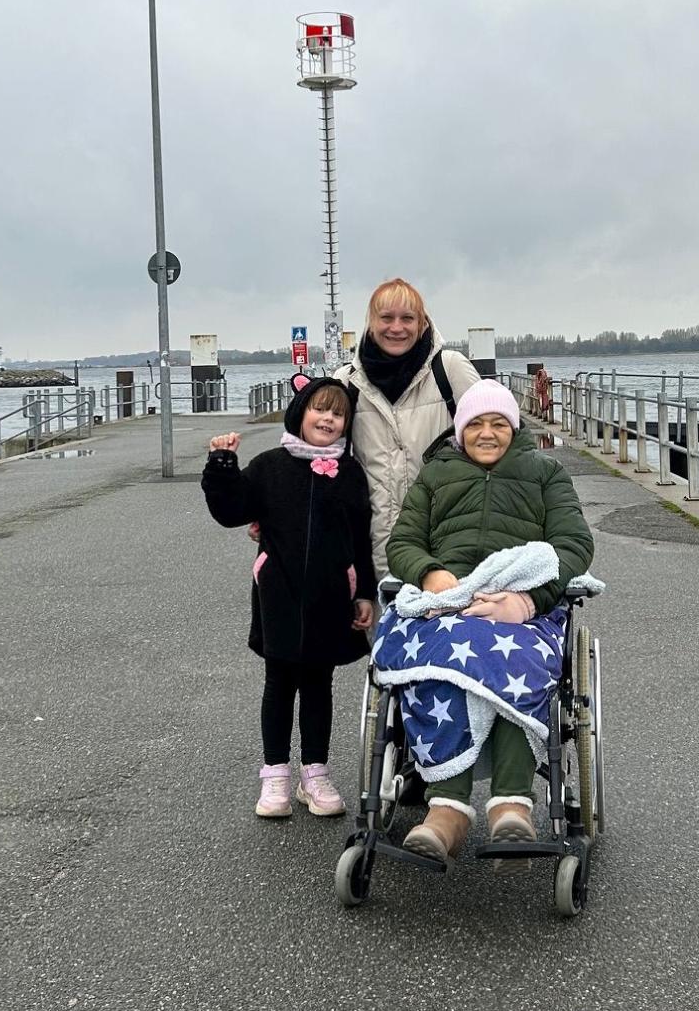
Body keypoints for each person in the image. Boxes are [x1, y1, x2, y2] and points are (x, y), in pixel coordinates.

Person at [375, 378, 595, 863]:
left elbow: (574, 545)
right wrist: (430, 573)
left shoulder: (545, 472)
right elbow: (402, 542)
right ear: (460, 430)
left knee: (516, 662)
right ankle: (447, 811)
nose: (488, 433)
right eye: (476, 423)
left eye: (499, 423)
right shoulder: (436, 475)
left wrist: (528, 602)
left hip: (520, 609)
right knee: (436, 664)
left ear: (514, 428)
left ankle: (512, 805)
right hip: (448, 603)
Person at [203, 375, 375, 820]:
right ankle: (275, 773)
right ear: (300, 413)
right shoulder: (269, 466)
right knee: (279, 683)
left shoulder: (351, 473)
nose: (328, 419)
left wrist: (365, 592)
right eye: (320, 409)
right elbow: (232, 511)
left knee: (318, 684)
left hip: (331, 597)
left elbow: (360, 538)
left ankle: (314, 773)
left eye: (338, 413)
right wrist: (222, 464)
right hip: (278, 594)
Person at [344, 278, 480, 576]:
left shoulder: (450, 370)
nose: (397, 328)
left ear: (422, 323)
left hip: (448, 551)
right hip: (373, 553)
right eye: (386, 318)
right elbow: (313, 460)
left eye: (407, 318)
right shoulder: (347, 382)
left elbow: (502, 439)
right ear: (371, 323)